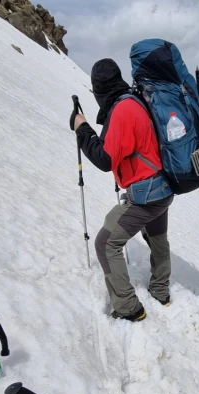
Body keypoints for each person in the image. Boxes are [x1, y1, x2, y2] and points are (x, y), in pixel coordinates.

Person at [72, 58, 173, 322]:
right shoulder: (136, 100)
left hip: (146, 195)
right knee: (157, 237)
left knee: (105, 243)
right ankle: (161, 290)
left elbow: (105, 159)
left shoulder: (122, 110)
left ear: (99, 90)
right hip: (163, 188)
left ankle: (128, 307)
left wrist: (82, 129)